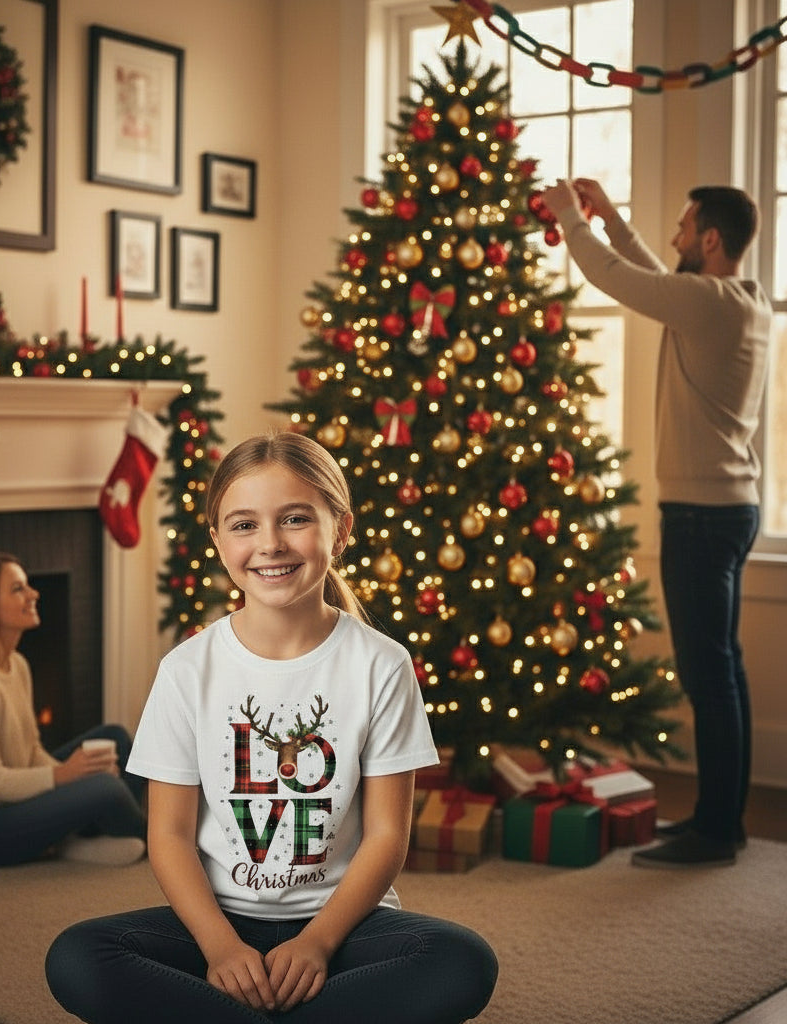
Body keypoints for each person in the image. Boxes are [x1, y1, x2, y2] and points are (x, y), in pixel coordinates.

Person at [45, 432, 498, 1023]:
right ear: (217, 540)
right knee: (77, 957)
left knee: (463, 963)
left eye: (295, 519)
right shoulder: (186, 670)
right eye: (244, 525)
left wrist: (318, 943)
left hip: (344, 926)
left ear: (340, 530)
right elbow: (170, 836)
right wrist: (220, 948)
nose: (270, 544)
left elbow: (387, 836)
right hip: (218, 923)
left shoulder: (381, 665)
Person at [540, 179, 771, 868]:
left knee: (708, 676)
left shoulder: (707, 303)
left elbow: (619, 279)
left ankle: (716, 831)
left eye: (684, 228)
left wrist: (570, 218)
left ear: (710, 239)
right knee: (723, 670)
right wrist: (610, 217)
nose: (674, 237)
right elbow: (653, 277)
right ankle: (722, 819)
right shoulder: (738, 301)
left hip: (701, 515)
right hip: (729, 507)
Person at [0, 552, 147, 868]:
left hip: (10, 803)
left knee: (116, 738)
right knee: (106, 787)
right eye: (18, 589)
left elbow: (31, 750)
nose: (34, 594)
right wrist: (66, 775)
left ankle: (73, 841)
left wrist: (75, 776)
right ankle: (166, 841)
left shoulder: (16, 664)